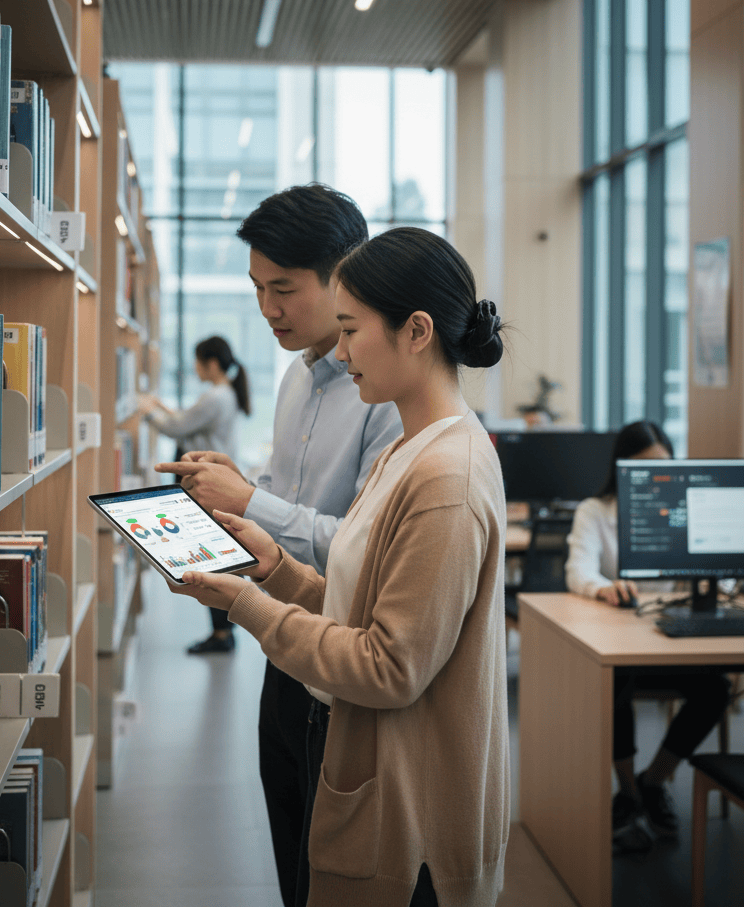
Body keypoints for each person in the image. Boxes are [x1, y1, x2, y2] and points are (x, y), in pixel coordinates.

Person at [173, 227, 511, 907]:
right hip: (370, 772)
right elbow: (366, 604)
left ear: (416, 331)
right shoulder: (406, 450)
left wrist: (245, 605)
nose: (342, 350)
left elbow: (390, 665)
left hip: (411, 820)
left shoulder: (448, 475)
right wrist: (276, 570)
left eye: (353, 331)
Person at [156, 183, 402, 907]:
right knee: (289, 837)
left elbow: (362, 550)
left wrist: (254, 504)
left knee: (335, 864)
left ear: (344, 275)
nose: (268, 309)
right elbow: (284, 498)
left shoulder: (384, 393)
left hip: (347, 651)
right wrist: (234, 493)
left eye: (284, 289)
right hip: (282, 643)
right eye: (258, 288)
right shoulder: (297, 378)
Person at [564, 420, 731, 852]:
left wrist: (713, 582)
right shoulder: (595, 511)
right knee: (616, 684)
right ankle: (629, 794)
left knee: (716, 689)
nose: (655, 479)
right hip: (623, 643)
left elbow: (723, 569)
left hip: (674, 640)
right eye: (641, 469)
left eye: (663, 467)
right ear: (621, 469)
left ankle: (653, 781)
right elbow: (578, 570)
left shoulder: (688, 508)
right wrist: (603, 587)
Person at [147, 335, 250, 653]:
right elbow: (188, 420)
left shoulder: (215, 397)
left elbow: (178, 428)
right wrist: (162, 407)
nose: (193, 367)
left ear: (211, 363)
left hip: (207, 486)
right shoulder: (222, 394)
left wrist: (147, 413)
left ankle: (222, 634)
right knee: (218, 560)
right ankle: (223, 632)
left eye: (197, 360)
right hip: (214, 482)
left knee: (214, 564)